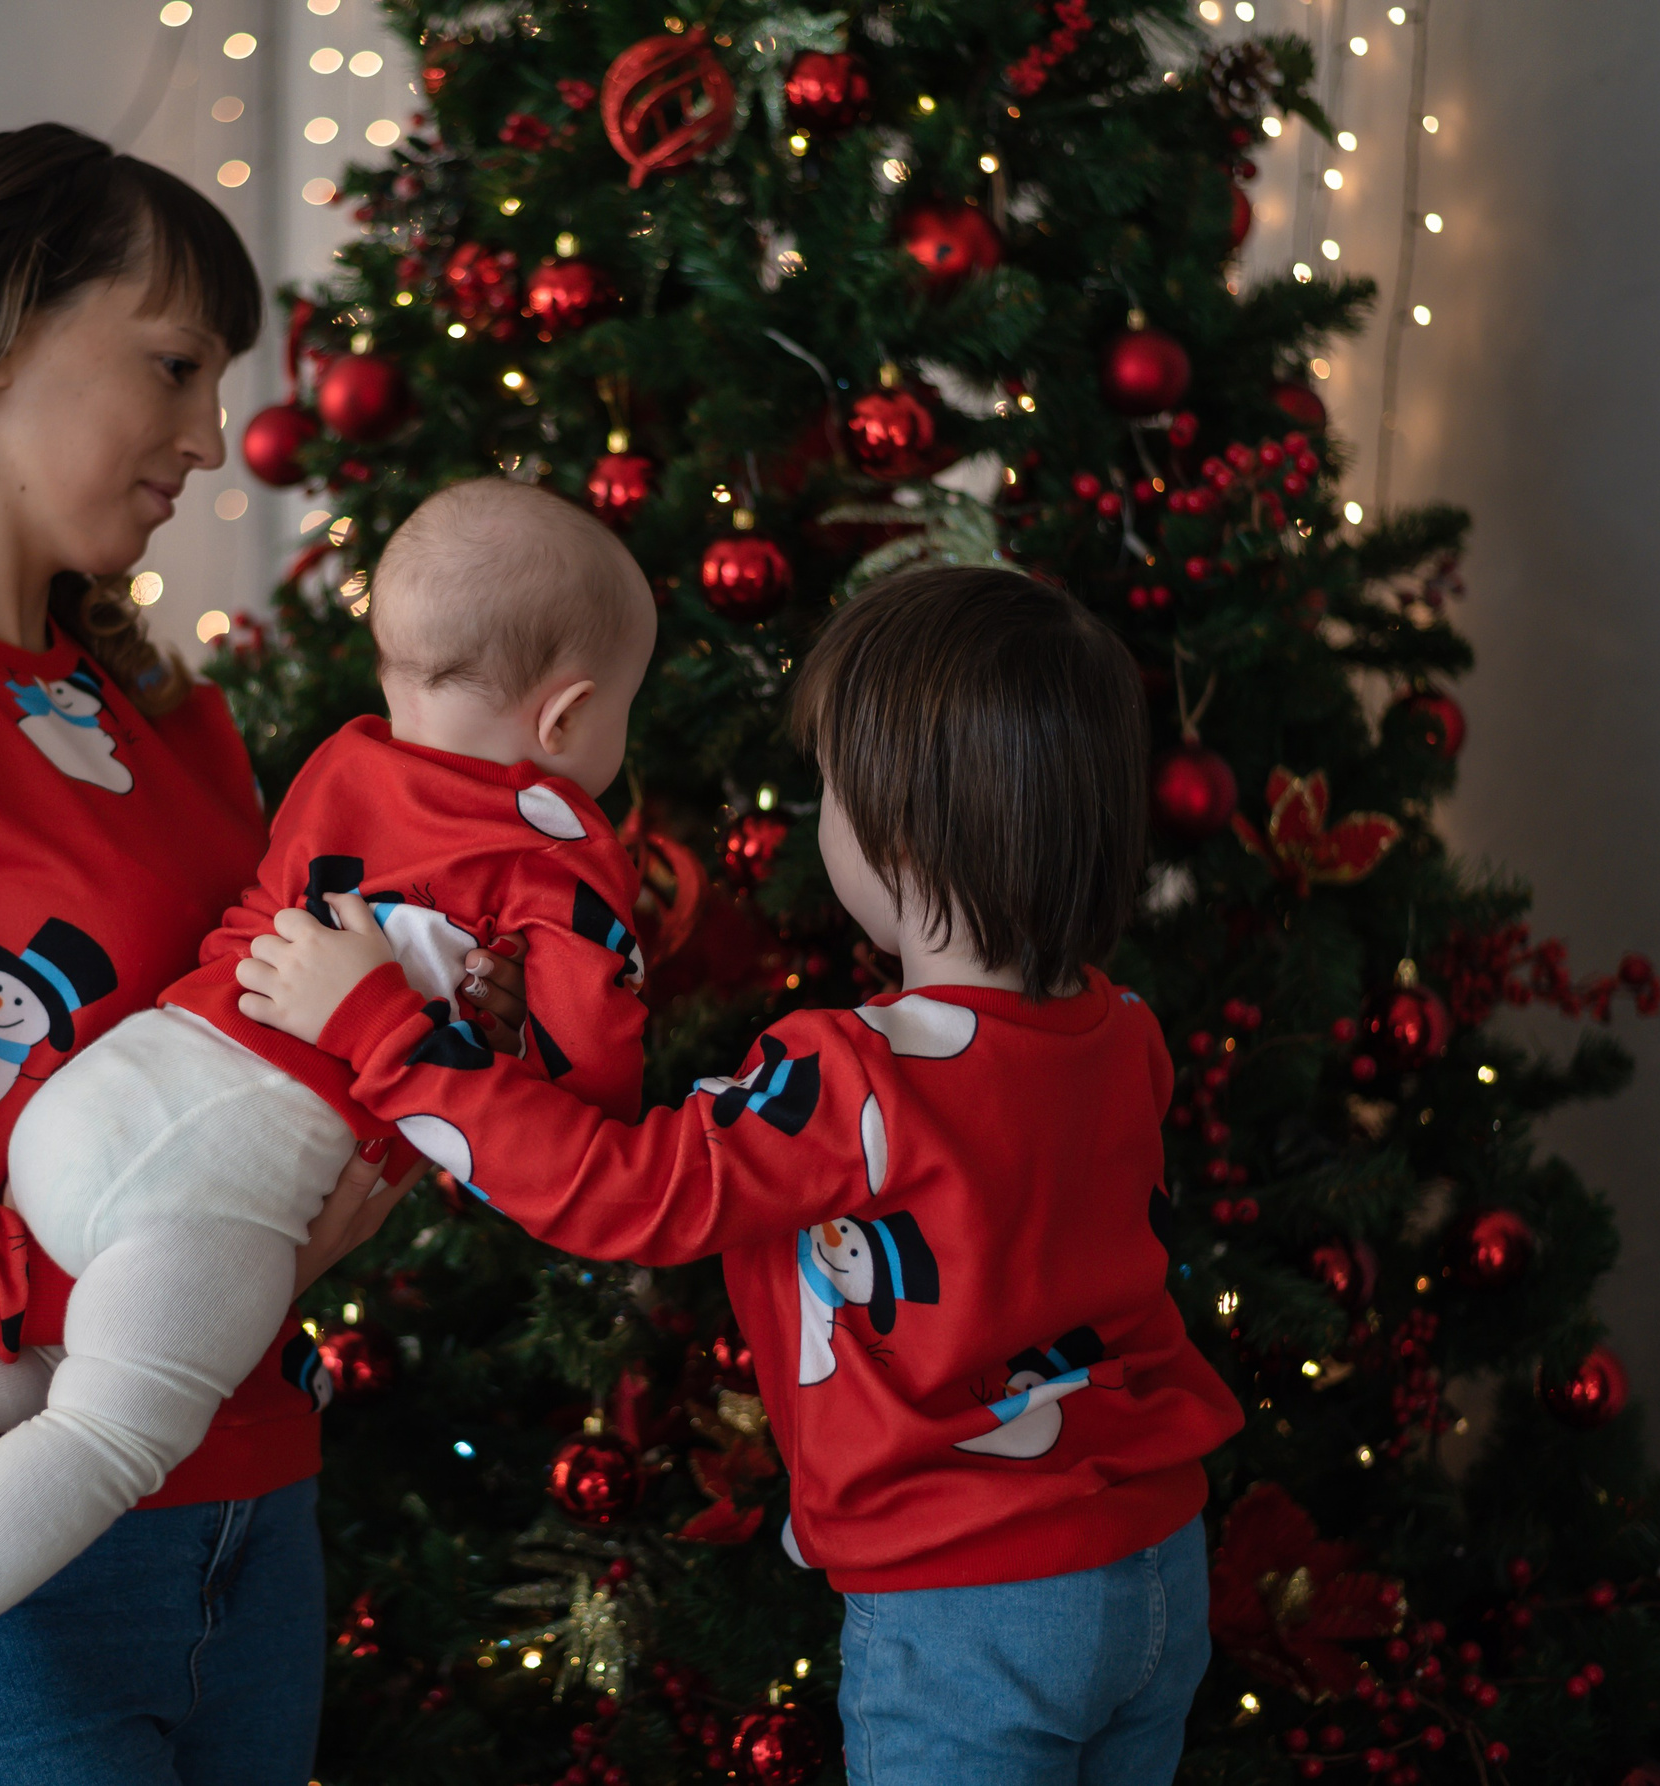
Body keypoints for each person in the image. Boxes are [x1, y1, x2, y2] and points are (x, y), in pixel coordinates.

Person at [0, 125, 525, 1785]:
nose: (213, 438)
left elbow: (236, 1081)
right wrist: (140, 1299)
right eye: (176, 365)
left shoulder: (171, 717)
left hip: (251, 1511)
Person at [240, 565, 1246, 1784]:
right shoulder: (1119, 1027)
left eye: (829, 789)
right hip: (1154, 1563)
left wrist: (384, 1034)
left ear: (898, 831)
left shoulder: (853, 1076)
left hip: (969, 1601)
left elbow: (626, 1192)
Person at [0, 478, 660, 1775]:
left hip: (114, 1088)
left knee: (63, 1333)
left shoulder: (345, 760)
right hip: (224, 1176)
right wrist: (535, 1013)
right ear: (567, 714)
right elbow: (592, 1083)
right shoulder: (563, 851)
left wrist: (479, 995)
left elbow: (400, 902)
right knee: (116, 1418)